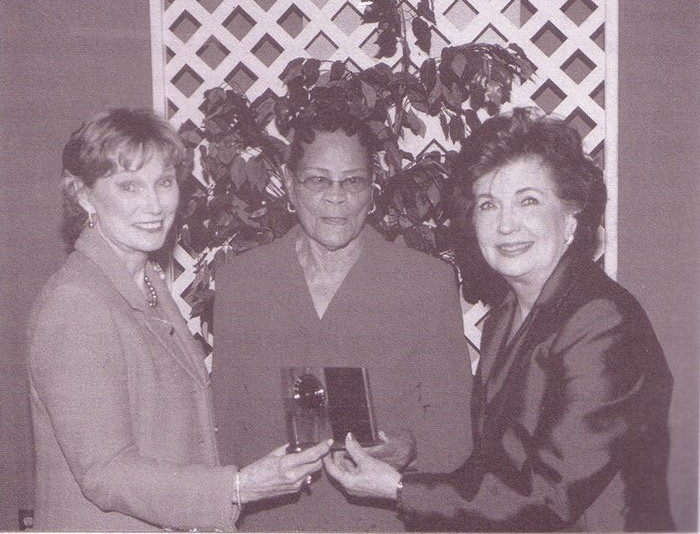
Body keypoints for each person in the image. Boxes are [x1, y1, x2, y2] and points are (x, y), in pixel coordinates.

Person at [324, 107, 675, 532]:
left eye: (528, 201)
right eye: (489, 205)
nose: (506, 224)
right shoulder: (506, 314)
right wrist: (408, 460)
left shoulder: (602, 321)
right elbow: (497, 467)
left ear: (571, 219)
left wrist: (400, 489)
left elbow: (550, 494)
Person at [27, 108, 331, 532]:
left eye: (164, 182)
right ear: (83, 195)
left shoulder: (147, 281)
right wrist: (239, 486)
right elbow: (106, 472)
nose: (153, 205)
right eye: (129, 186)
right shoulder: (78, 303)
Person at [212, 105, 473, 531]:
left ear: (372, 190)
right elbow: (225, 424)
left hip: (381, 522)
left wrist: (410, 448)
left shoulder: (426, 283)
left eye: (353, 181)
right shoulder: (242, 283)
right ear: (291, 187)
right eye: (318, 180)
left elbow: (457, 427)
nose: (336, 197)